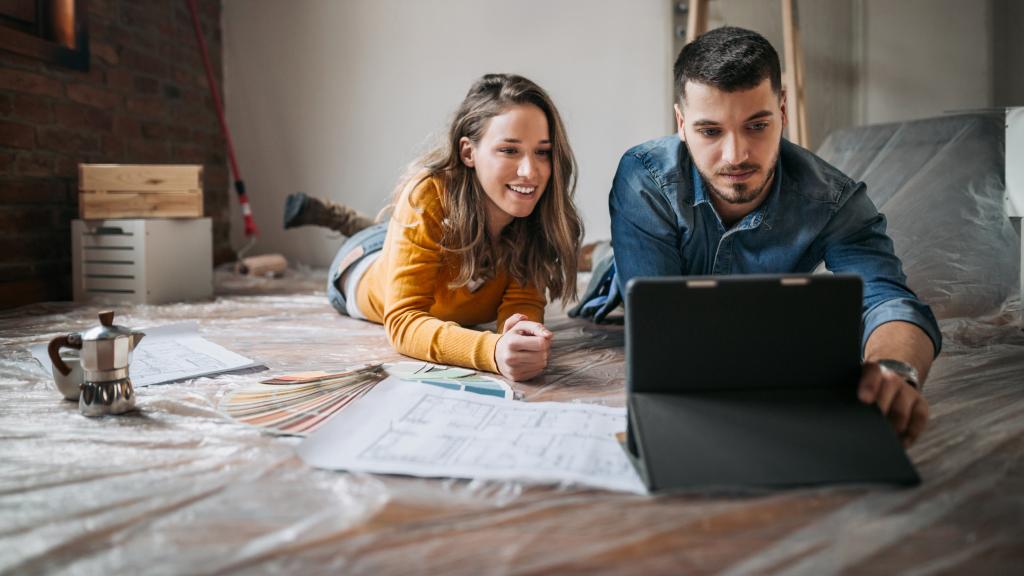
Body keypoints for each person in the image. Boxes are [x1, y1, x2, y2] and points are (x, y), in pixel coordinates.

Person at [606, 27, 941, 446]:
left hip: (754, 299)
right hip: (636, 272)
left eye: (757, 125)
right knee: (609, 272)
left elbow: (889, 299)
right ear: (681, 123)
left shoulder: (834, 200)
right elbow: (661, 333)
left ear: (783, 111)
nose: (735, 156)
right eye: (709, 131)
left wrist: (896, 371)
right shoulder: (645, 178)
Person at [285, 73, 583, 382]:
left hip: (428, 234)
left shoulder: (536, 214)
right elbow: (403, 322)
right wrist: (492, 351)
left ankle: (369, 223)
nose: (530, 171)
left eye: (542, 152)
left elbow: (522, 302)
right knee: (373, 231)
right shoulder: (427, 195)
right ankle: (334, 216)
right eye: (509, 150)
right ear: (469, 152)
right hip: (360, 263)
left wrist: (520, 336)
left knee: (393, 227)